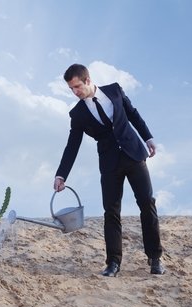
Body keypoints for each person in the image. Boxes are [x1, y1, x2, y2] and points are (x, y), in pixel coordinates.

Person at [54, 64, 165, 277]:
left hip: (134, 154)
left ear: (87, 80)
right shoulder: (77, 114)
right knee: (111, 212)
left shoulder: (114, 90)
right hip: (109, 164)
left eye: (77, 86)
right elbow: (72, 145)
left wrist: (148, 137)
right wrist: (61, 175)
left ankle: (155, 258)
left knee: (147, 204)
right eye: (71, 89)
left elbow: (132, 114)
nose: (75, 92)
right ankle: (113, 262)